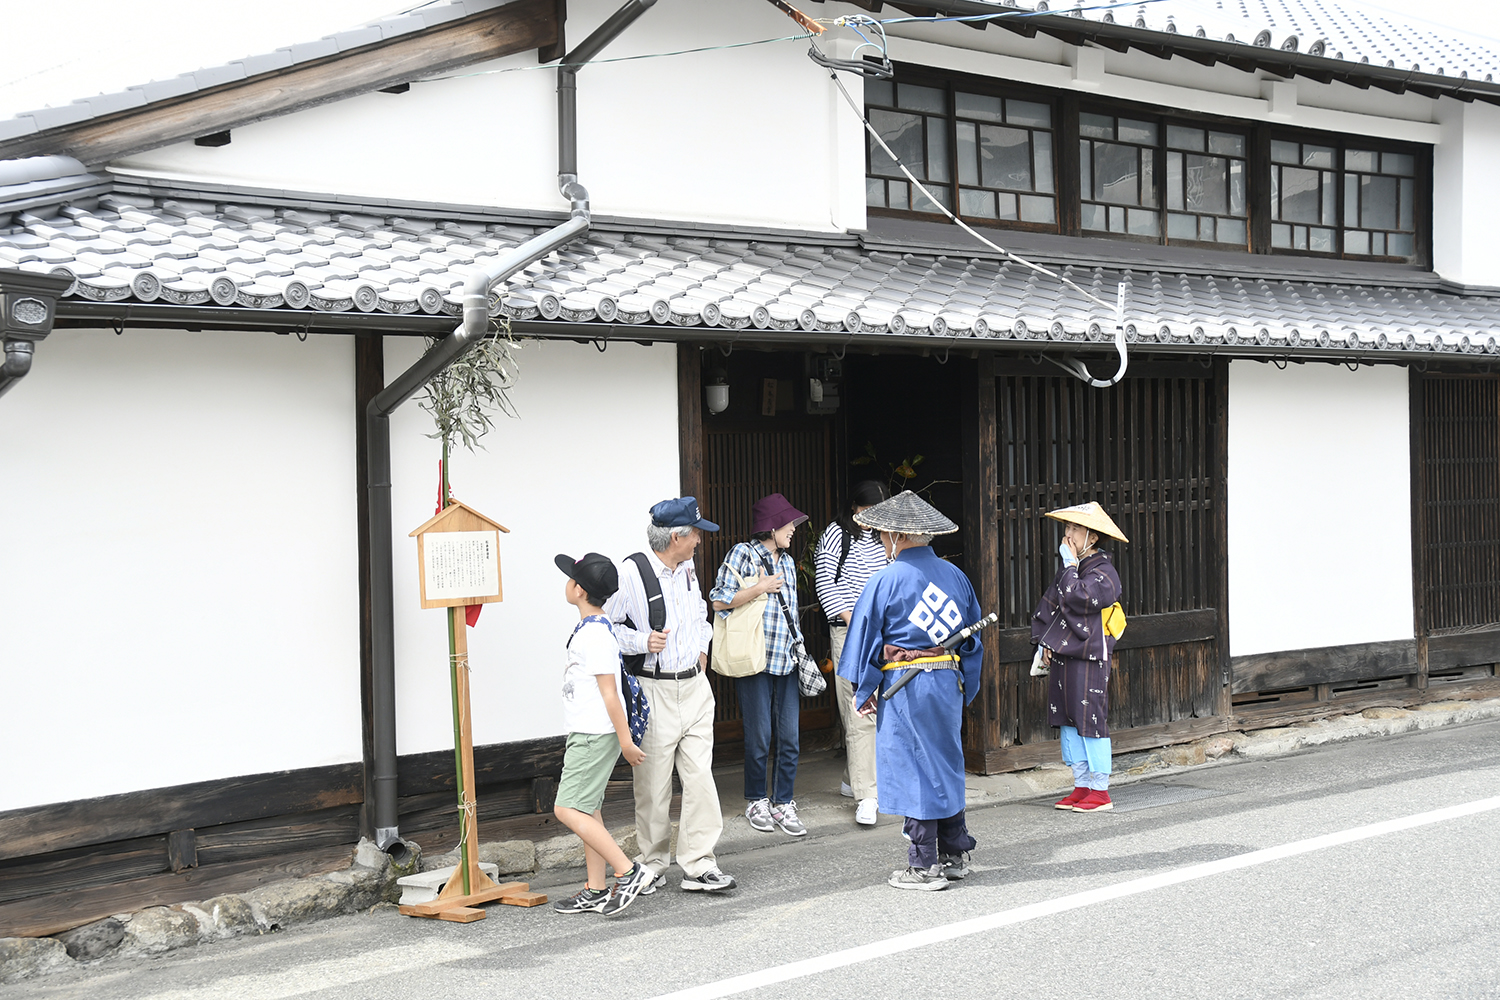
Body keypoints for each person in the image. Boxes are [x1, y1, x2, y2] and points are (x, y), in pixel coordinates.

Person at [837, 491, 984, 891]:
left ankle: (923, 865)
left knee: (914, 767)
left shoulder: (884, 580)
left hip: (906, 686)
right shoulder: (957, 576)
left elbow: (865, 640)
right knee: (946, 761)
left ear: (895, 536)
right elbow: (972, 641)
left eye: (884, 535)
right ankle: (954, 852)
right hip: (947, 681)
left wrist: (864, 688)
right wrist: (963, 686)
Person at [605, 497, 737, 893]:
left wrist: (701, 651)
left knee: (700, 778)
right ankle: (651, 863)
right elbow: (605, 627)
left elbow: (699, 613)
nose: (699, 540)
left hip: (694, 686)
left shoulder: (687, 568)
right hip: (654, 687)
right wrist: (642, 639)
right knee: (653, 784)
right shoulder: (631, 573)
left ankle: (700, 863)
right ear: (676, 537)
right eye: (695, 534)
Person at [549, 552, 651, 916]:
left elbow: (611, 693)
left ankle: (629, 871)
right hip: (590, 730)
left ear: (578, 590)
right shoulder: (596, 628)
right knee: (589, 809)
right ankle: (595, 888)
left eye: (570, 578)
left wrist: (625, 741)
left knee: (566, 807)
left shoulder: (594, 635)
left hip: (594, 734)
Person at [710, 493, 811, 838]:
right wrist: (760, 587)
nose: (794, 530)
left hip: (787, 657)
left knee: (790, 736)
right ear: (771, 526)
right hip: (754, 658)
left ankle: (784, 801)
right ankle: (756, 799)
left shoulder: (786, 560)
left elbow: (791, 613)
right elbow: (719, 601)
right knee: (759, 736)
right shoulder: (742, 553)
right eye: (789, 524)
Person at [1030, 501, 1127, 814]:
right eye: (1067, 528)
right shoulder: (1070, 569)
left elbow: (1079, 597)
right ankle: (1081, 783)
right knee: (1068, 717)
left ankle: (1100, 790)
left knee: (1090, 716)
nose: (1067, 535)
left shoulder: (1104, 572)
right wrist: (1045, 641)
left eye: (1074, 529)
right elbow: (1052, 604)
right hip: (1064, 652)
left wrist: (1070, 567)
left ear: (1093, 538)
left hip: (1089, 654)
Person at [812, 479, 890, 827]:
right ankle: (867, 796)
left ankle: (853, 778)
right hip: (850, 634)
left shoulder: (883, 537)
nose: (874, 518)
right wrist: (852, 618)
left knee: (882, 707)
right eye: (870, 510)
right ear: (856, 507)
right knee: (861, 709)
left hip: (884, 635)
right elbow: (825, 582)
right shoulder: (835, 534)